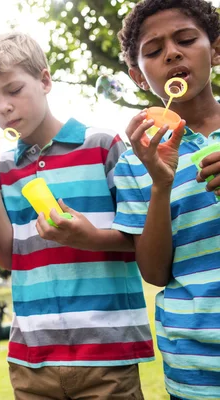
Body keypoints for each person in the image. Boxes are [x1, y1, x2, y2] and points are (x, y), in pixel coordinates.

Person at [0, 32, 154, 399]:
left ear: (45, 80)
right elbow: (8, 257)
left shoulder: (103, 144)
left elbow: (147, 244)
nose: (3, 106)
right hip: (32, 358)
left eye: (13, 90)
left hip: (107, 353)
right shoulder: (2, 167)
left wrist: (90, 238)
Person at [114, 1, 220, 398]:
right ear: (139, 77)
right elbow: (155, 273)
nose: (173, 52)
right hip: (193, 364)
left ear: (216, 49)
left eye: (186, 39)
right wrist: (160, 184)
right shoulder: (134, 161)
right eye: (154, 50)